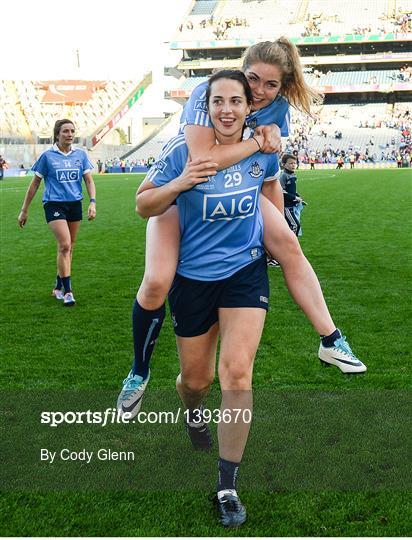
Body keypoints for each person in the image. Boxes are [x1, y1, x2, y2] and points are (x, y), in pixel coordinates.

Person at [117, 41, 366, 420]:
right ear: (241, 71)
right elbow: (203, 160)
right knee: (156, 281)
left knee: (288, 246)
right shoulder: (208, 92)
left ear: (282, 87)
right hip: (186, 184)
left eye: (271, 85)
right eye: (253, 80)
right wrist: (254, 142)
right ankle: (138, 371)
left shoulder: (277, 106)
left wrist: (278, 223)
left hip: (240, 186)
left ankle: (330, 339)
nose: (260, 92)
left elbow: (268, 178)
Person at [136, 70, 280, 527]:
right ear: (207, 105)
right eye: (218, 101)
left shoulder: (263, 149)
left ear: (248, 106)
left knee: (236, 372)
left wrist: (282, 232)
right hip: (193, 280)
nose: (226, 110)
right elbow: (144, 205)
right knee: (194, 382)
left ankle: (227, 484)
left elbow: (271, 186)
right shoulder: (183, 150)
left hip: (244, 273)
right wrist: (180, 184)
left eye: (236, 101)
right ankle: (193, 414)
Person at [17, 119, 96, 306]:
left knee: (70, 247)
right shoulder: (47, 156)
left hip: (74, 203)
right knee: (65, 244)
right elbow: (34, 184)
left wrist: (92, 202)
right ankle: (68, 292)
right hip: (54, 204)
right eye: (65, 131)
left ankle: (58, 285)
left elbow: (89, 181)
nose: (69, 134)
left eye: (72, 131)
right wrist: (24, 210)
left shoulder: (81, 155)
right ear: (57, 134)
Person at [279, 153, 305, 237]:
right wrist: (294, 197)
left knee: (292, 225)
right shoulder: (283, 176)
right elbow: (281, 191)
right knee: (295, 225)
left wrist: (298, 197)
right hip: (286, 206)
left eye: (294, 163)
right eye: (290, 163)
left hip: (292, 205)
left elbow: (292, 190)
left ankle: (290, 244)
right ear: (283, 164)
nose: (293, 165)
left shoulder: (293, 174)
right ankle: (291, 244)